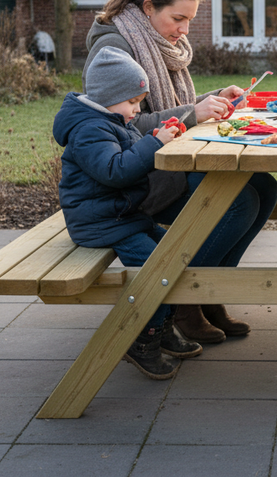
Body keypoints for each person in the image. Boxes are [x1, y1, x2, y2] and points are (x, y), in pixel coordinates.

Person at [83, 0, 277, 345]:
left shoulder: (153, 41)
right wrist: (191, 114)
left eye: (190, 19)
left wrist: (211, 99)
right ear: (148, 7)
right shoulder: (114, 47)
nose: (184, 30)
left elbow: (168, 106)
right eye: (178, 18)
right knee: (238, 200)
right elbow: (120, 126)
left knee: (264, 186)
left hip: (162, 163)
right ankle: (185, 300)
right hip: (133, 179)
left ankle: (209, 294)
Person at [53, 46, 203, 380]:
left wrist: (152, 138)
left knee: (175, 254)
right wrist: (154, 143)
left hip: (122, 215)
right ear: (109, 96)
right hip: (102, 222)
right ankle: (142, 338)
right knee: (157, 268)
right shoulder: (90, 130)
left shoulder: (110, 119)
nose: (137, 110)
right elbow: (115, 171)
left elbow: (128, 154)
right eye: (133, 102)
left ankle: (161, 327)